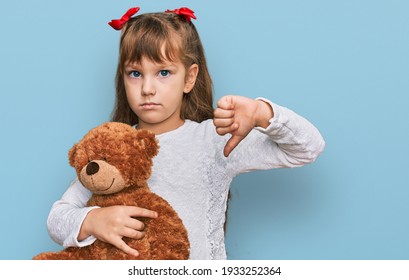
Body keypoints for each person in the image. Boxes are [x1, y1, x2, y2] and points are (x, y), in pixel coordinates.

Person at [46, 7, 325, 260]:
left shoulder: (213, 141)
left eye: (163, 72)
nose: (147, 88)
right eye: (135, 73)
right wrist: (92, 220)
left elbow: (308, 147)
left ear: (189, 78)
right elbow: (57, 217)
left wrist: (263, 113)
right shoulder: (114, 147)